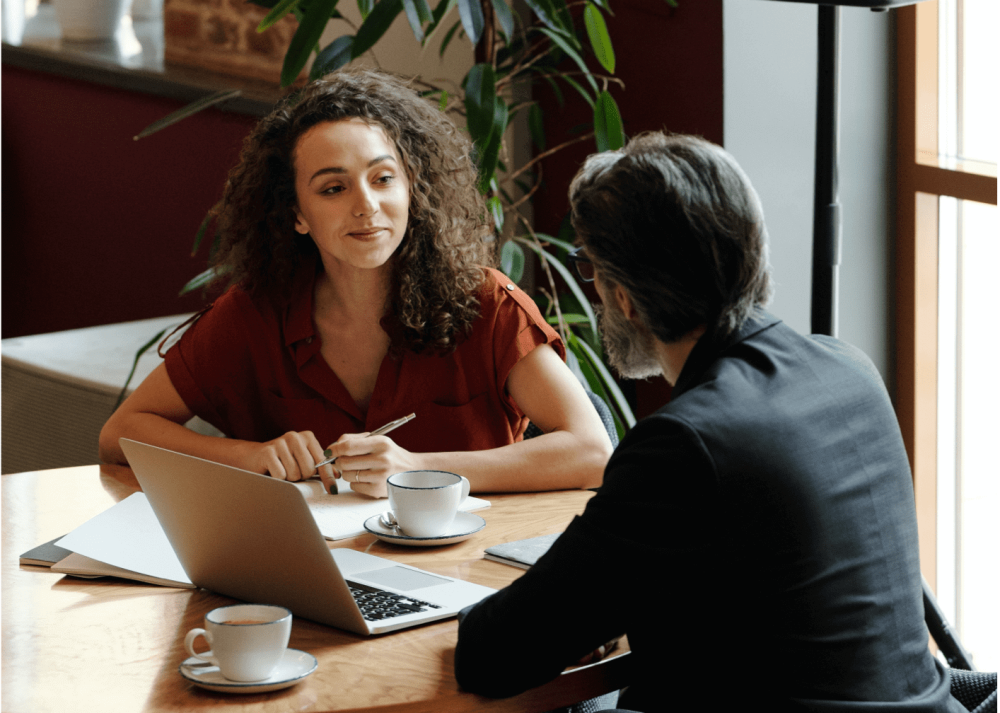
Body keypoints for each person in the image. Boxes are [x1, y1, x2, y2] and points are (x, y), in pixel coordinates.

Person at [454, 133, 964, 712]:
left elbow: (492, 654)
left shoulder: (686, 443)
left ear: (622, 296)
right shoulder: (849, 369)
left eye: (590, 269)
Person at [99, 68, 612, 498]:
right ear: (297, 214)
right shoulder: (255, 314)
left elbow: (592, 451)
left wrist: (416, 468)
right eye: (333, 187)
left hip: (471, 576)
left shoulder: (487, 303)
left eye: (383, 178)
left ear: (414, 189)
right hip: (312, 578)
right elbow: (121, 435)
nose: (366, 204)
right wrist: (251, 457)